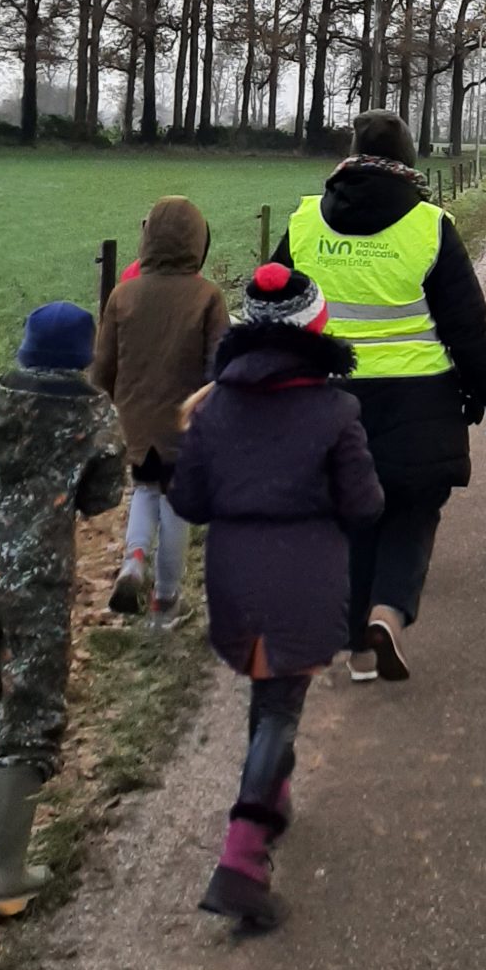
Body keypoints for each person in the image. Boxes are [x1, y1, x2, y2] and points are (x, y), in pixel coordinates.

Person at [170, 264, 383, 932]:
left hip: (234, 567)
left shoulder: (213, 407)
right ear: (316, 329)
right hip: (305, 569)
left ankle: (274, 791)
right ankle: (243, 855)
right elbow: (364, 504)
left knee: (267, 692)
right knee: (283, 704)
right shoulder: (335, 411)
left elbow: (188, 500)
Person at [276, 110, 486, 683]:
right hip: (419, 398)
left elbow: (273, 312)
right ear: (408, 159)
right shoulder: (429, 226)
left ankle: (358, 650)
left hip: (329, 398)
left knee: (354, 511)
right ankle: (388, 611)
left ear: (350, 156)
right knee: (413, 506)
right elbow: (466, 324)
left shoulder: (305, 223)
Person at [0, 302, 125, 920]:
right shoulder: (93, 412)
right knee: (32, 710)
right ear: (83, 355)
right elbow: (102, 496)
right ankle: (8, 878)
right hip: (35, 582)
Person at [92, 196, 229, 629]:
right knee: (175, 506)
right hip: (186, 421)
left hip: (135, 419)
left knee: (145, 492)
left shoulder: (123, 294)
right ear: (198, 241)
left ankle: (134, 560)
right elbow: (220, 367)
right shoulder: (207, 297)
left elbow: (103, 366)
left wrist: (108, 407)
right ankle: (166, 602)